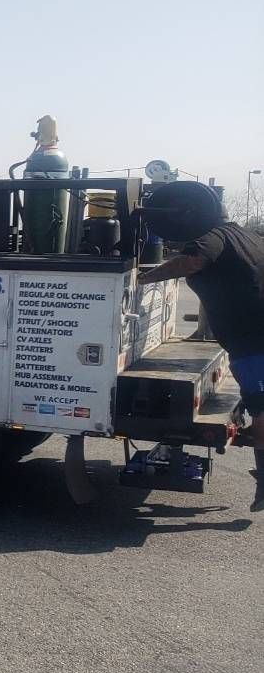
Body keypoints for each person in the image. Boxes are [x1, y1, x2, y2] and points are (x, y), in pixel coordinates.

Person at [141, 217, 264, 512]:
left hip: (253, 342)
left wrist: (144, 278)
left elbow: (193, 261)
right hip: (251, 339)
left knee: (261, 411)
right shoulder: (248, 236)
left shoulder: (211, 235)